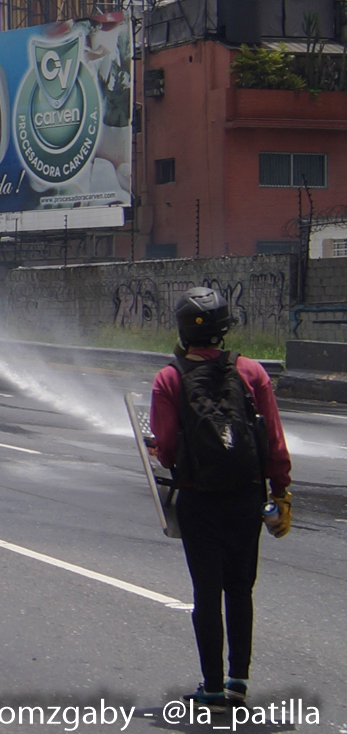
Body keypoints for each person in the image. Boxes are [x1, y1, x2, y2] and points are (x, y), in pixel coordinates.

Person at [150, 287, 292, 709]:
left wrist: (163, 454)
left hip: (199, 499)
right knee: (240, 589)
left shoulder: (170, 378)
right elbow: (274, 441)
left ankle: (211, 686)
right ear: (225, 327)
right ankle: (238, 682)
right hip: (247, 496)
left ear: (182, 329)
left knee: (206, 593)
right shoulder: (252, 372)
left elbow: (168, 445)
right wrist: (280, 489)